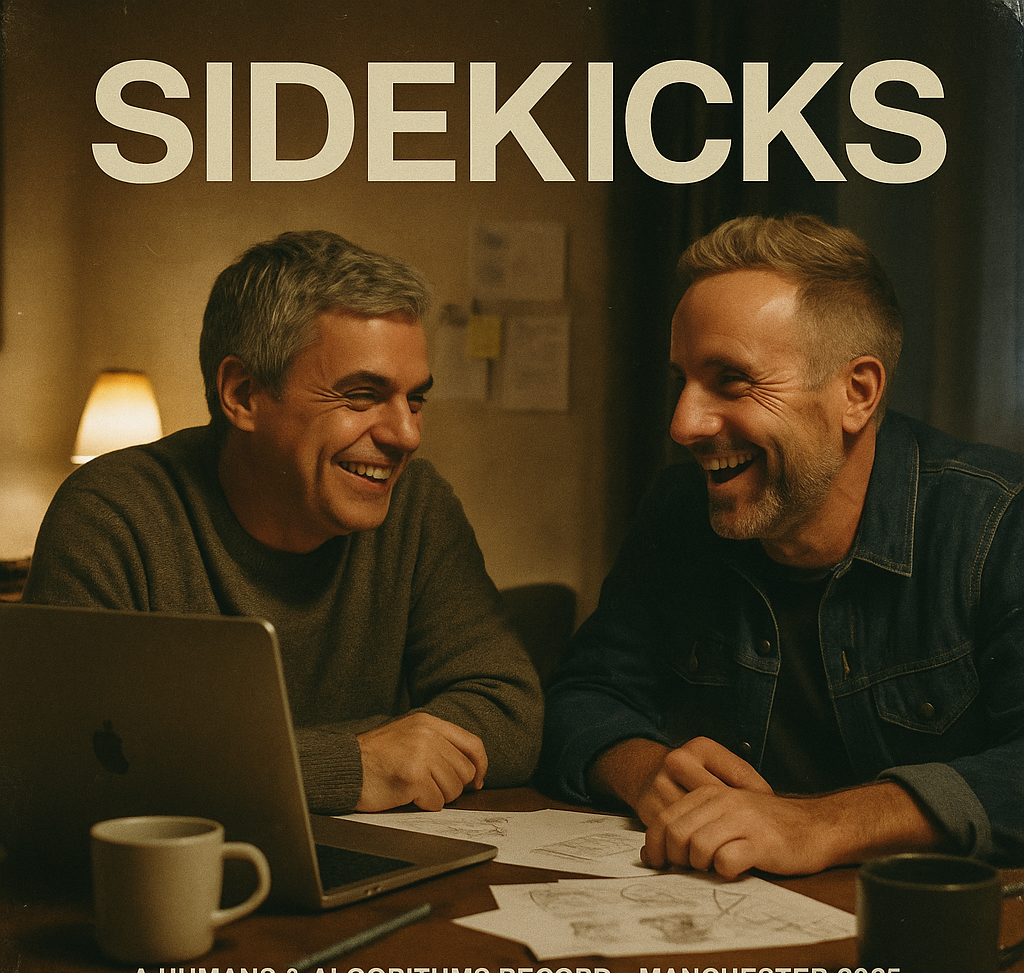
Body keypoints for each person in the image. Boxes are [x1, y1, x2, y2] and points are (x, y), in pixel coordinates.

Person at [541, 213, 1024, 880]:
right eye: (682, 379)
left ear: (857, 393)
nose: (684, 423)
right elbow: (582, 695)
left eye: (731, 381)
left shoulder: (998, 522)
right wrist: (646, 771)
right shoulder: (678, 512)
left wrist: (823, 825)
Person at [24, 230, 543, 815]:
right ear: (243, 394)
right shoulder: (113, 515)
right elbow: (72, 772)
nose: (407, 435)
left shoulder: (416, 506)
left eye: (414, 400)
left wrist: (232, 766)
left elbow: (510, 713)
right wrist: (353, 762)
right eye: (362, 396)